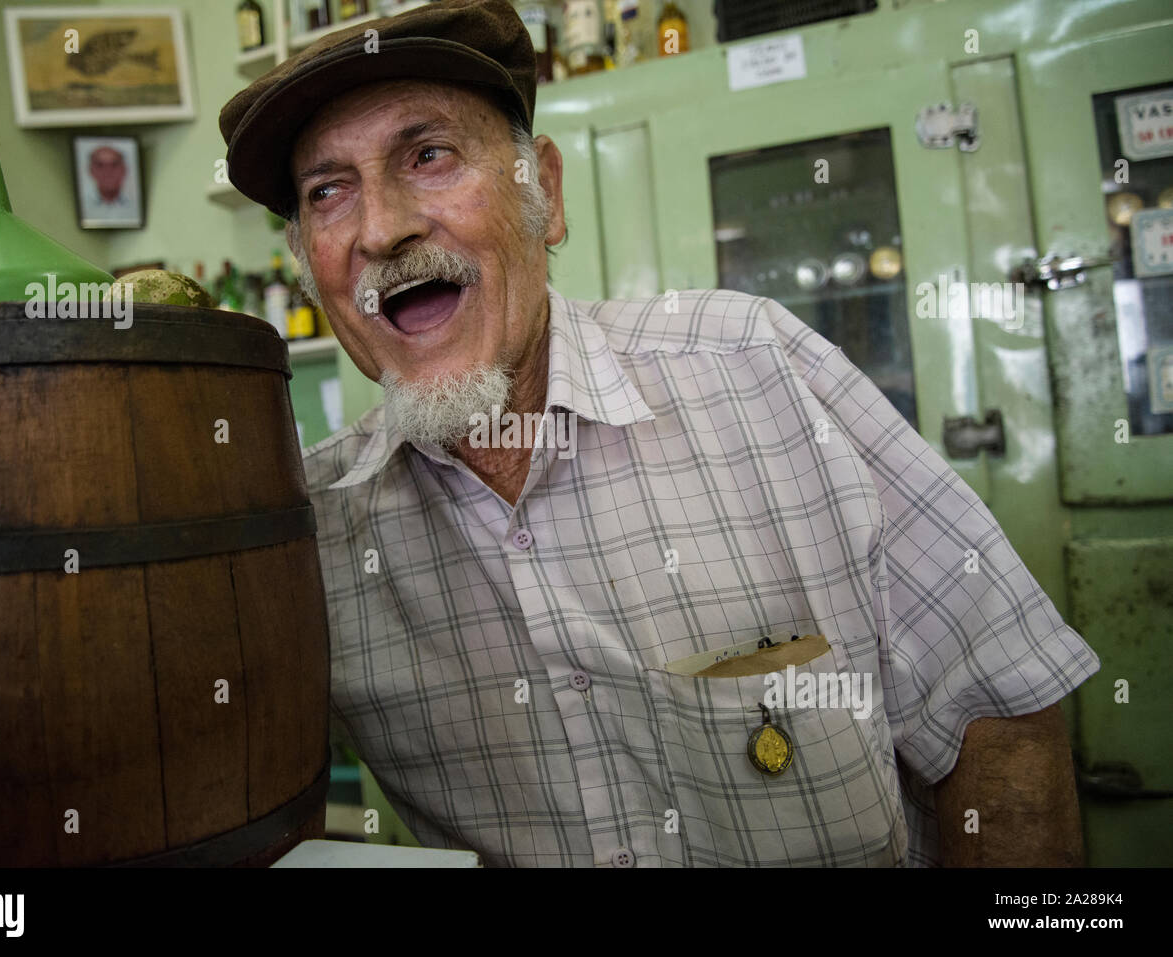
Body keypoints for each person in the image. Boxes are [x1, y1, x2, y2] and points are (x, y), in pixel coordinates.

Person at [220, 0, 1099, 867]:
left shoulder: (757, 367)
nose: (381, 228)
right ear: (308, 268)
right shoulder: (309, 531)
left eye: (430, 154)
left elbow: (995, 699)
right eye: (328, 191)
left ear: (546, 195)